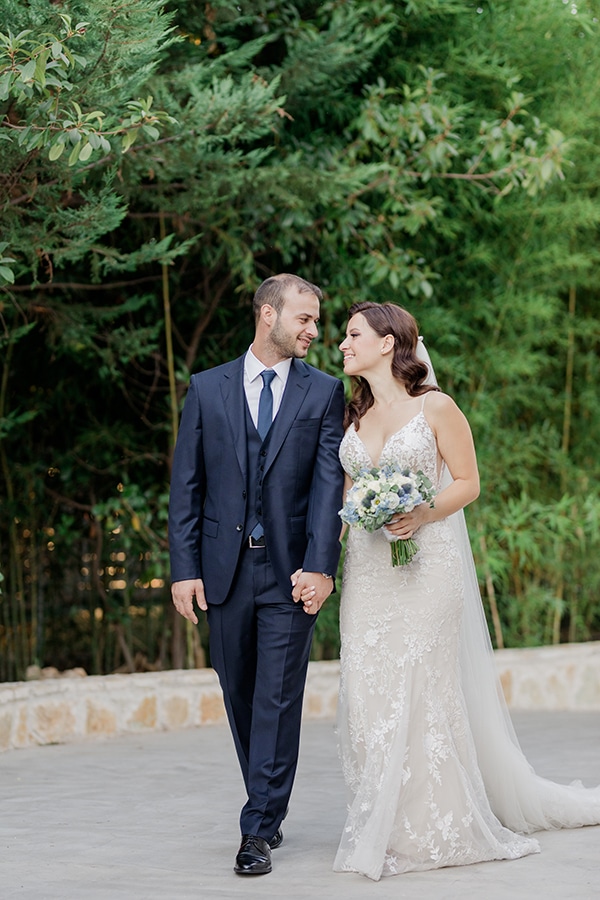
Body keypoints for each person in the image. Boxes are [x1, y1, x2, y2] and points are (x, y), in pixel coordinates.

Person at [317, 300, 600, 881]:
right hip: (369, 574)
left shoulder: (437, 408)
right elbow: (343, 505)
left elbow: (469, 483)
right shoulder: (351, 418)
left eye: (351, 335)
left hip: (427, 568)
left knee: (421, 685)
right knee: (369, 688)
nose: (342, 345)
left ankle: (436, 822)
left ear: (388, 344)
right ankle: (383, 820)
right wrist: (319, 565)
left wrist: (422, 514)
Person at [168, 273, 346, 877]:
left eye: (317, 321)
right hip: (224, 571)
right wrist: (183, 570)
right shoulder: (206, 388)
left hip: (292, 572)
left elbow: (328, 487)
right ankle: (268, 801)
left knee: (275, 697)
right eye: (304, 318)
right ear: (267, 314)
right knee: (240, 690)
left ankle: (257, 827)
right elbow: (186, 487)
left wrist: (322, 565)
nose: (314, 331)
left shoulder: (322, 394)